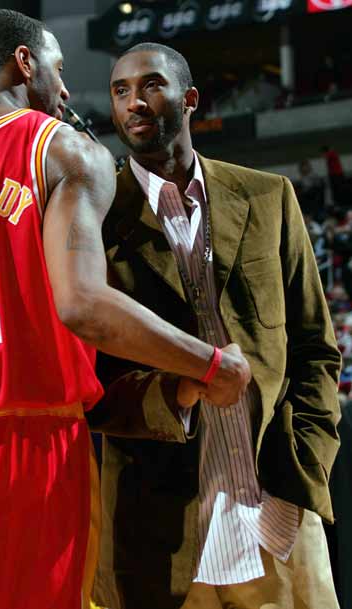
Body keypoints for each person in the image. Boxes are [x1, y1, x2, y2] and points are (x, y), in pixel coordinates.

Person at [0, 15, 251, 609]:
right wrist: (211, 364)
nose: (65, 88)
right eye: (58, 69)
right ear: (25, 62)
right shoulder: (62, 148)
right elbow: (83, 304)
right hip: (36, 446)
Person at [87, 42, 342, 609]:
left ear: (190, 99)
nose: (134, 103)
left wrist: (307, 465)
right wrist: (179, 390)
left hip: (277, 513)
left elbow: (315, 347)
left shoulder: (269, 196)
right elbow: (91, 382)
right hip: (161, 531)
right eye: (120, 91)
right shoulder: (97, 219)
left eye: (151, 85)